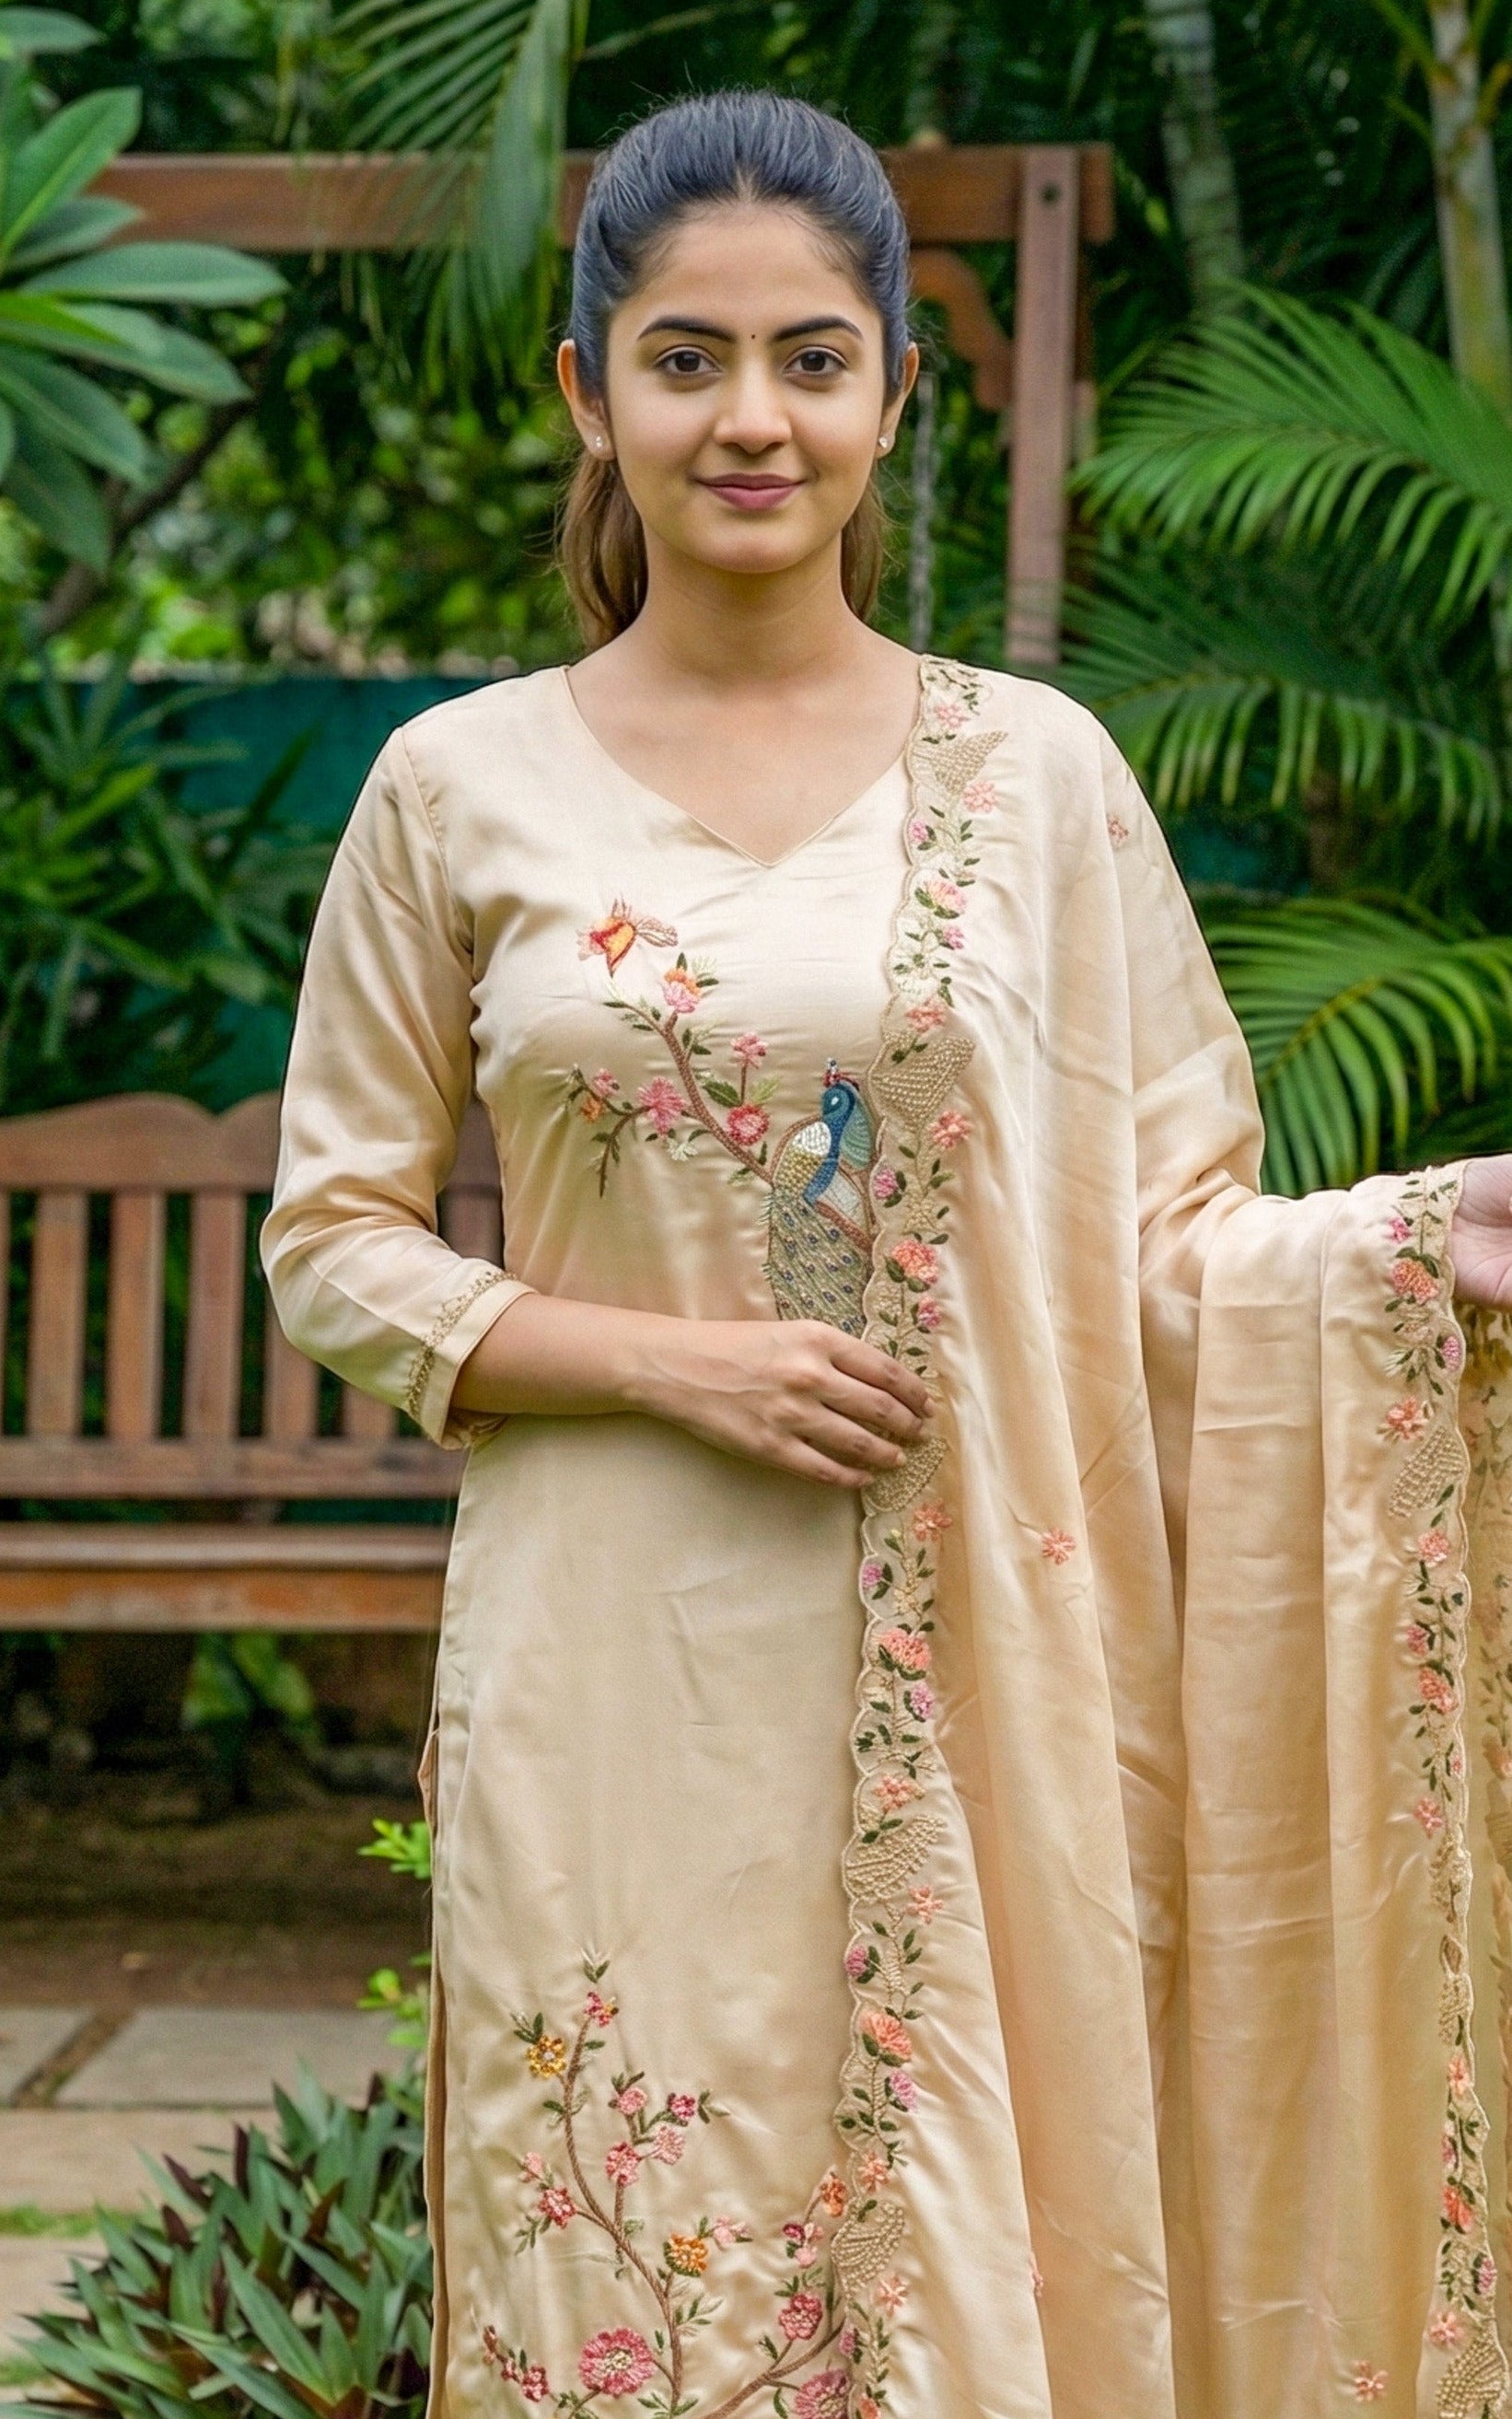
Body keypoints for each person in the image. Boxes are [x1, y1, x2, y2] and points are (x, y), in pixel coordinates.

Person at [262, 89, 1512, 2419]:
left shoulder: (1033, 779)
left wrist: (1395, 1246)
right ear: (586, 393)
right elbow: (329, 1242)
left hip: (981, 1653)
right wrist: (667, 1364)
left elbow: (1160, 1235)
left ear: (888, 395)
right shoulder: (455, 785)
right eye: (687, 358)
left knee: (963, 2224)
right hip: (613, 1652)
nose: (751, 419)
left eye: (812, 360)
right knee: (620, 2228)